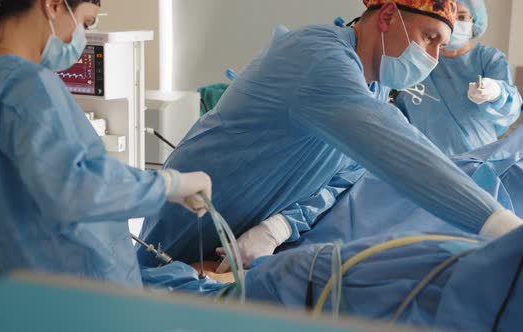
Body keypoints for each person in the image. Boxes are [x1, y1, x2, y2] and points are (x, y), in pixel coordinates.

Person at [138, 0, 523, 272]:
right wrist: (501, 225)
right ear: (388, 16)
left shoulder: (371, 87)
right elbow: (407, 156)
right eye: (429, 38)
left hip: (235, 244)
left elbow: (342, 178)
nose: (435, 57)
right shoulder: (320, 58)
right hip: (187, 226)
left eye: (442, 44)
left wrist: (277, 228)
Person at [0, 0, 212, 289]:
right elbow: (79, 188)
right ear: (53, 6)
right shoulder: (28, 86)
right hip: (75, 299)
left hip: (0, 296)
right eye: (86, 22)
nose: (81, 36)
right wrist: (168, 185)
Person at [394, 0, 521, 155]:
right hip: (426, 164)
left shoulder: (488, 59)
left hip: (479, 162)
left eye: (461, 17)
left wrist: (496, 94)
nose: (454, 23)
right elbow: (397, 116)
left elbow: (510, 109)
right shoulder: (418, 60)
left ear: (474, 21)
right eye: (449, 15)